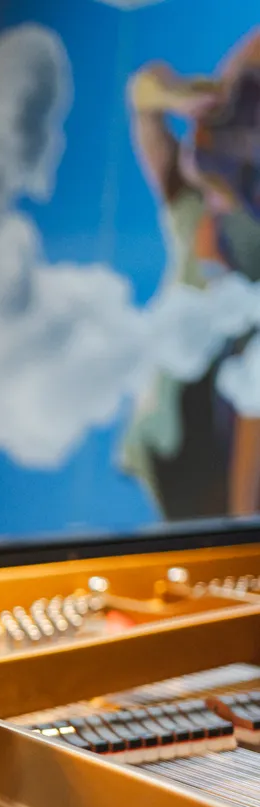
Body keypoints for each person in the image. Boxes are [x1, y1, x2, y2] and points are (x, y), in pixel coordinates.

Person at [123, 31, 260, 520]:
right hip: (173, 435)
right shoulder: (190, 208)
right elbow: (144, 97)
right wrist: (172, 93)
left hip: (224, 449)